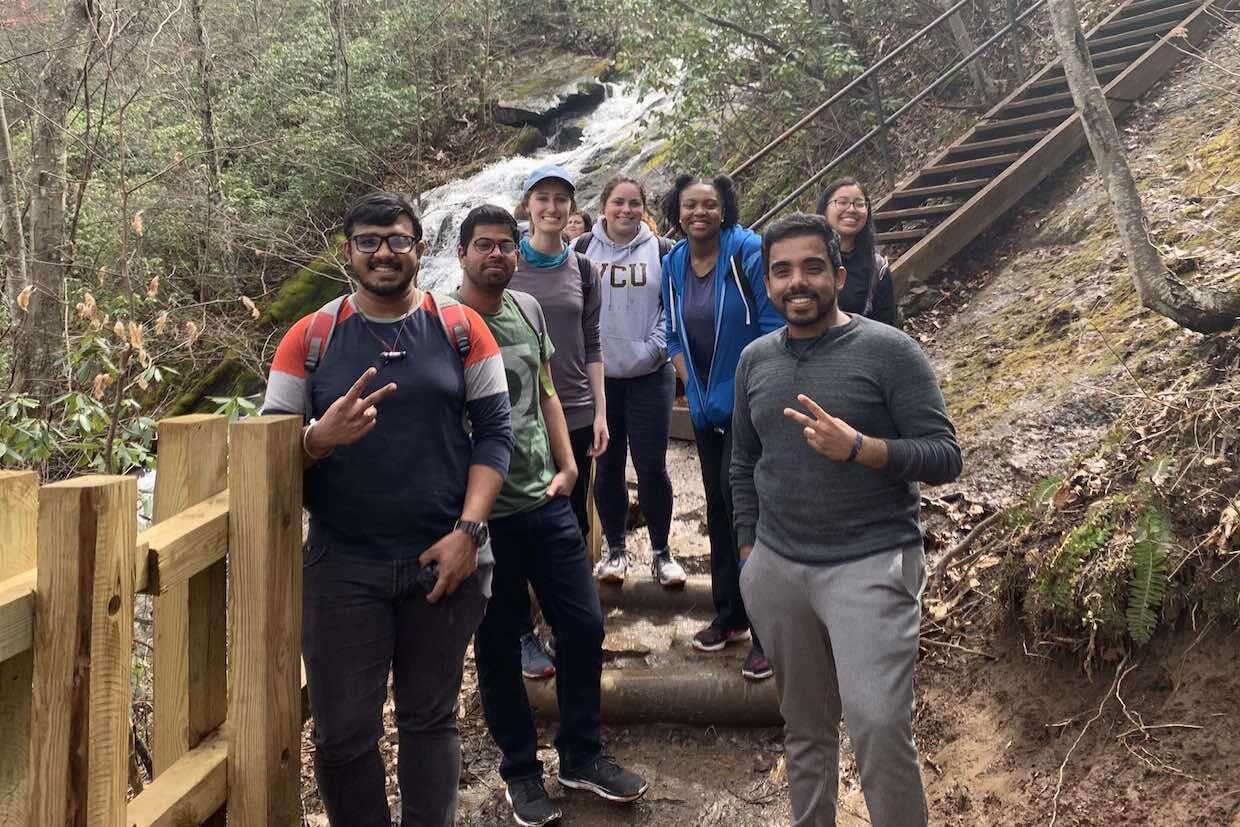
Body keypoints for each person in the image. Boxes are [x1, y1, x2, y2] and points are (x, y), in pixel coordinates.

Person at [261, 192, 514, 826]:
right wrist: (316, 440)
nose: (383, 252)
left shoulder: (462, 328)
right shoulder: (309, 339)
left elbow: (495, 434)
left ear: (419, 249)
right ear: (348, 251)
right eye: (368, 241)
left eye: (397, 239)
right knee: (343, 734)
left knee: (430, 720)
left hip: (442, 559)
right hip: (342, 564)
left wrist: (469, 532)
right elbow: (264, 448)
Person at [731, 213, 962, 827]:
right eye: (781, 271)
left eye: (812, 267)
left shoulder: (889, 351)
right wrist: (749, 551)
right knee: (804, 726)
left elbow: (945, 455)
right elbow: (744, 460)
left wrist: (861, 447)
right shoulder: (755, 360)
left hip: (871, 562)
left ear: (837, 275)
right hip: (779, 568)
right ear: (767, 283)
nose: (796, 282)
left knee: (879, 725)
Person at [454, 204, 648, 827]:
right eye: (484, 245)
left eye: (505, 245)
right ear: (461, 254)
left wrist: (567, 468)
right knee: (497, 646)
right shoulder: (443, 321)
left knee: (584, 625)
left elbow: (545, 392)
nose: (497, 255)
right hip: (485, 519)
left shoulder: (527, 309)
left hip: (547, 502)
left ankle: (580, 755)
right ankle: (520, 771)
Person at [660, 173, 782, 681]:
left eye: (709, 204)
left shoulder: (747, 251)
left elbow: (773, 323)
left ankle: (768, 633)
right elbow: (671, 332)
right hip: (706, 406)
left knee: (745, 511)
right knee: (718, 507)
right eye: (690, 205)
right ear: (677, 211)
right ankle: (729, 614)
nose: (699, 213)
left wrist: (756, 390)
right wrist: (689, 384)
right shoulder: (673, 262)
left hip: (747, 404)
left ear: (724, 208)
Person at [509, 164, 608, 681]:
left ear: (571, 207)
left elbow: (592, 342)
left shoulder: (585, 269)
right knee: (517, 524)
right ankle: (522, 631)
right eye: (542, 198)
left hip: (574, 413)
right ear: (528, 206)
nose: (552, 207)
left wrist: (601, 411)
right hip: (517, 417)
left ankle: (563, 624)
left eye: (560, 199)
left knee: (568, 522)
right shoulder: (506, 262)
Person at [575, 175, 684, 588]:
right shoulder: (581, 248)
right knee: (607, 466)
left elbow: (672, 307)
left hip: (650, 376)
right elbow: (570, 306)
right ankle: (616, 551)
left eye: (634, 203)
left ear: (644, 208)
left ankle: (661, 552)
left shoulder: (662, 250)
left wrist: (652, 351)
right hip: (598, 378)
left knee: (652, 465)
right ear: (603, 206)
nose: (626, 210)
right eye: (618, 202)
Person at [817, 178, 899, 327]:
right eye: (842, 202)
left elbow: (887, 325)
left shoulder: (877, 267)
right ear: (824, 209)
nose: (851, 209)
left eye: (859, 204)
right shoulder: (806, 259)